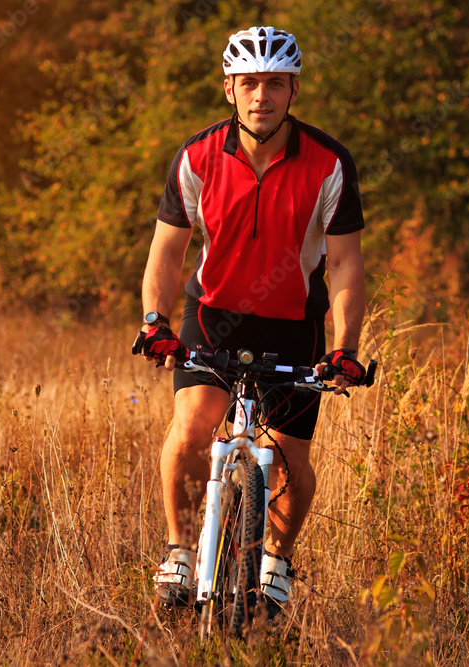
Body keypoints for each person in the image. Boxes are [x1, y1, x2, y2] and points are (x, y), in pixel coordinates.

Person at [133, 26, 368, 621]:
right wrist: (156, 322)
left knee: (288, 456)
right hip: (214, 318)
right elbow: (167, 251)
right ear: (229, 90)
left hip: (296, 324)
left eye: (273, 84)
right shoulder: (196, 157)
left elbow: (343, 265)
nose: (260, 95)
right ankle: (181, 551)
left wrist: (345, 349)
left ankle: (276, 563)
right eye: (248, 84)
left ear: (293, 91)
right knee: (191, 429)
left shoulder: (330, 163)